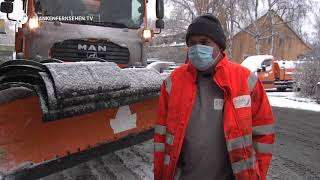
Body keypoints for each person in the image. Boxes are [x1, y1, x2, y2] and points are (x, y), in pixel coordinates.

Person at [154, 14, 275, 180]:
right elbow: (161, 139)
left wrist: (257, 176)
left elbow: (264, 134)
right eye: (192, 43)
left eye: (204, 42)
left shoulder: (246, 81)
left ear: (219, 46)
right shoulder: (172, 83)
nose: (197, 48)